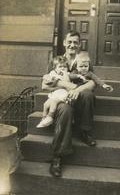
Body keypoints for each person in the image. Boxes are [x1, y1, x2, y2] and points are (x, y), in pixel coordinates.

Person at [42, 31, 104, 178]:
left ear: (79, 45)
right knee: (65, 110)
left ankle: (84, 130)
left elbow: (92, 82)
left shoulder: (83, 60)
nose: (72, 45)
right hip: (62, 99)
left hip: (80, 100)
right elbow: (44, 86)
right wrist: (69, 86)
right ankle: (57, 156)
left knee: (88, 94)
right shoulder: (56, 60)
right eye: (69, 42)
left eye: (75, 42)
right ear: (64, 43)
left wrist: (78, 89)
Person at [36, 55, 85, 128]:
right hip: (55, 93)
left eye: (64, 67)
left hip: (63, 93)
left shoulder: (67, 74)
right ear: (55, 68)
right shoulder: (53, 74)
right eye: (60, 66)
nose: (62, 68)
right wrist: (49, 79)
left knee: (54, 103)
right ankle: (44, 117)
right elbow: (46, 78)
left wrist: (80, 76)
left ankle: (50, 117)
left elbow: (73, 76)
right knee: (45, 104)